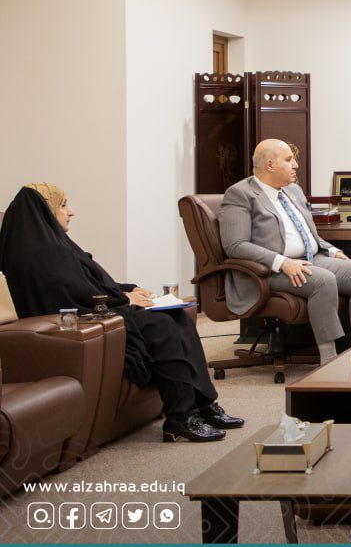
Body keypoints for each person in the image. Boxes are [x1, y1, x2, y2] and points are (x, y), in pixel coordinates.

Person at [0, 183, 241, 443]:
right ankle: (180, 418)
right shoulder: (40, 254)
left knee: (177, 315)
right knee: (162, 326)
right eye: (63, 204)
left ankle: (204, 404)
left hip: (103, 309)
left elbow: (91, 282)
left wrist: (128, 289)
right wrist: (124, 298)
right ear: (45, 210)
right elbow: (75, 295)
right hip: (85, 319)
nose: (71, 212)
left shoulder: (55, 244)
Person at [220, 139, 351, 364]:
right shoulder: (240, 194)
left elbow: (306, 232)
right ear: (270, 165)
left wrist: (331, 250)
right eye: (289, 160)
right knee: (323, 280)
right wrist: (283, 262)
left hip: (310, 258)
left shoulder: (293, 190)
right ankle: (329, 359)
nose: (295, 165)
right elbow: (235, 245)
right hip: (269, 270)